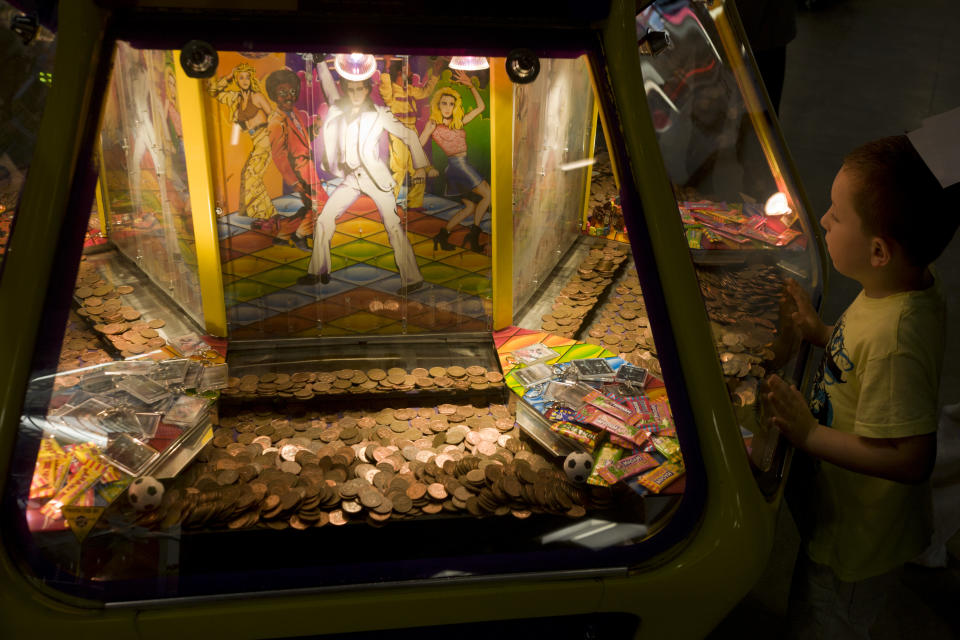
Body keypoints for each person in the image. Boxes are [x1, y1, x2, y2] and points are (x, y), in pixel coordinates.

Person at [765, 136, 959, 638]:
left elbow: (912, 459)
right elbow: (867, 359)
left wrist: (809, 436)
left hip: (858, 539)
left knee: (824, 619)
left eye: (836, 213)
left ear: (878, 251)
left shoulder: (897, 336)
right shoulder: (903, 286)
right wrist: (823, 333)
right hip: (843, 514)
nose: (824, 220)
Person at [300, 61, 435, 294]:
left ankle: (412, 278)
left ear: (367, 89)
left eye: (360, 89)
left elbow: (409, 134)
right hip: (352, 178)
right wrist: (321, 62)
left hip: (375, 178)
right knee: (323, 220)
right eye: (350, 90)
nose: (355, 95)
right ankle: (318, 271)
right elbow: (329, 88)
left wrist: (420, 166)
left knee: (393, 226)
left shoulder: (379, 114)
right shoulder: (338, 108)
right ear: (344, 89)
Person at [418, 70, 491, 253]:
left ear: (455, 105)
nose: (448, 107)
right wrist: (427, 167)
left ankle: (442, 235)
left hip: (459, 166)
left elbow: (481, 107)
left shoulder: (457, 122)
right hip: (458, 166)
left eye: (451, 103)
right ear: (438, 104)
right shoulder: (434, 123)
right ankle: (473, 237)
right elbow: (418, 145)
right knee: (488, 195)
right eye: (444, 103)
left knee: (470, 207)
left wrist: (471, 86)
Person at [265, 67, 328, 250]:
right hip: (299, 170)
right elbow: (279, 155)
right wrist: (293, 181)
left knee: (309, 205)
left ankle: (283, 235)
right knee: (321, 202)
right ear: (274, 95)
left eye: (292, 92)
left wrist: (314, 130)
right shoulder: (276, 122)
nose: (288, 96)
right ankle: (300, 234)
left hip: (307, 166)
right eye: (282, 93)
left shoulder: (296, 114)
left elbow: (299, 140)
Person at [207, 63, 278, 226]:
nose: (244, 80)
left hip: (265, 138)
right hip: (254, 140)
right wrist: (228, 78)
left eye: (247, 77)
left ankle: (269, 216)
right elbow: (213, 92)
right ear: (237, 80)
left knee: (252, 174)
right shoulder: (234, 98)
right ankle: (267, 215)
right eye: (240, 77)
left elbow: (273, 117)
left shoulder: (257, 96)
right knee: (248, 175)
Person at [379, 55, 442, 210]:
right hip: (398, 131)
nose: (412, 73)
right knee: (399, 170)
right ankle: (388, 203)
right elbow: (385, 88)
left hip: (411, 129)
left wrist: (435, 74)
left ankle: (414, 203)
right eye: (409, 71)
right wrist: (386, 67)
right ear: (400, 72)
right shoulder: (391, 90)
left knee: (417, 170)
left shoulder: (410, 90)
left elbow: (426, 91)